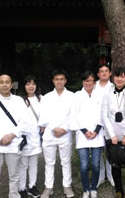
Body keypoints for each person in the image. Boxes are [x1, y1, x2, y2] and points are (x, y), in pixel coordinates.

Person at [101, 67, 125, 198]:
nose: (119, 79)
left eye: (122, 76)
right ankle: (118, 190)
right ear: (113, 78)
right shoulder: (107, 93)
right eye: (117, 76)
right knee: (115, 162)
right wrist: (112, 135)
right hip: (113, 134)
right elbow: (104, 115)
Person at [39, 70, 75, 198]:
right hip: (50, 134)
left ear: (65, 81)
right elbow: (43, 116)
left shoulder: (72, 96)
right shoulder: (47, 97)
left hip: (65, 133)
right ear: (53, 81)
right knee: (49, 162)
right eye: (56, 79)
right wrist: (54, 128)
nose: (59, 81)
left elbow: (74, 115)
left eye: (61, 79)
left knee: (66, 161)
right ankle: (48, 187)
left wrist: (64, 128)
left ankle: (67, 186)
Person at [74, 71, 105, 198]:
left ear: (94, 82)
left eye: (91, 81)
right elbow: (75, 115)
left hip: (97, 133)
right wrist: (84, 131)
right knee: (84, 164)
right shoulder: (77, 95)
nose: (88, 83)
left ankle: (93, 188)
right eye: (86, 81)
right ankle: (86, 189)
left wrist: (97, 130)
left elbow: (104, 113)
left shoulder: (100, 95)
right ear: (83, 82)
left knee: (96, 164)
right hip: (83, 134)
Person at [18, 75, 43, 198]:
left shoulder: (41, 99)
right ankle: (21, 188)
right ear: (24, 86)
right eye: (28, 84)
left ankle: (32, 186)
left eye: (33, 83)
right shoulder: (19, 101)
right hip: (24, 137)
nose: (31, 86)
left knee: (34, 164)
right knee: (23, 165)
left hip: (36, 136)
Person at [95, 64, 115, 187]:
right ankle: (101, 176)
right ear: (98, 74)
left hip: (110, 123)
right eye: (101, 71)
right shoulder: (93, 86)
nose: (103, 73)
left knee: (110, 150)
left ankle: (111, 175)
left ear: (110, 73)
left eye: (106, 71)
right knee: (98, 150)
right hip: (96, 123)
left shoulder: (113, 87)